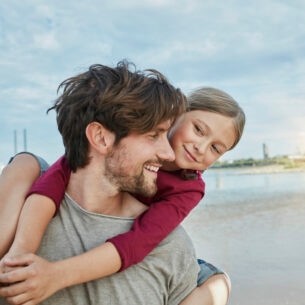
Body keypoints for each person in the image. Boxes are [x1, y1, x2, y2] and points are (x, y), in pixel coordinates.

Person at [0, 64, 245, 304]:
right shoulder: (38, 175)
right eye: (199, 130)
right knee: (26, 162)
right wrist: (22, 253)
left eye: (215, 148)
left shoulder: (189, 190)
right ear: (175, 118)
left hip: (144, 241)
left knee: (217, 280)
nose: (200, 148)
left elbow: (139, 241)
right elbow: (57, 178)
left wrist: (55, 275)